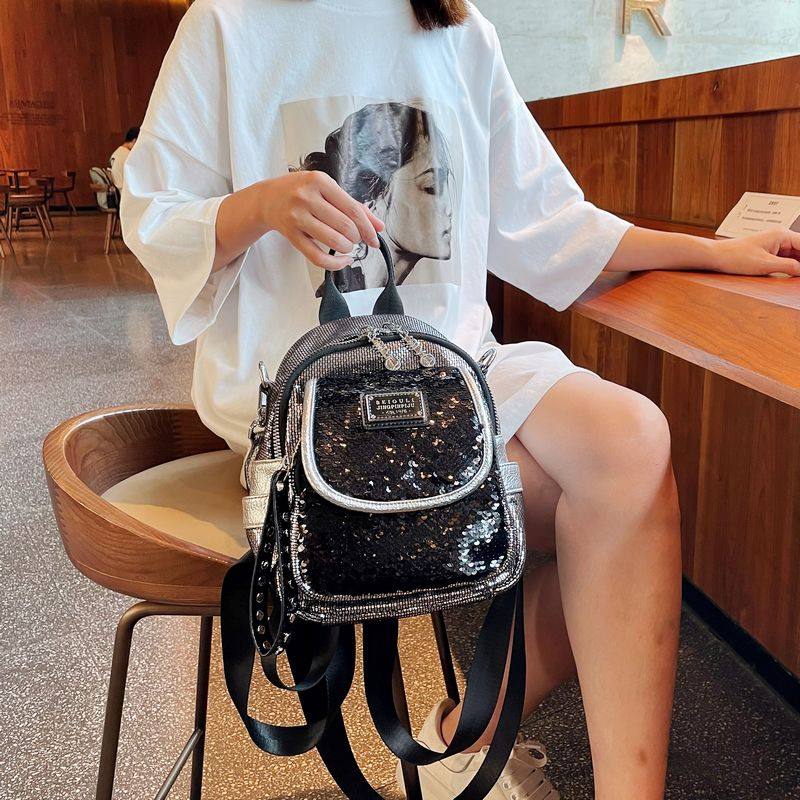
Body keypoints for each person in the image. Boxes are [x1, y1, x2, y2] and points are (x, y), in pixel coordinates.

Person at [120, 2, 800, 798]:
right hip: (301, 399)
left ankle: (486, 752)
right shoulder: (230, 21)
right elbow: (152, 214)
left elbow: (549, 219)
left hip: (457, 370)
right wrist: (260, 205)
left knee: (633, 442)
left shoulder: (458, 29)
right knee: (616, 516)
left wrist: (716, 252)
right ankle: (461, 743)